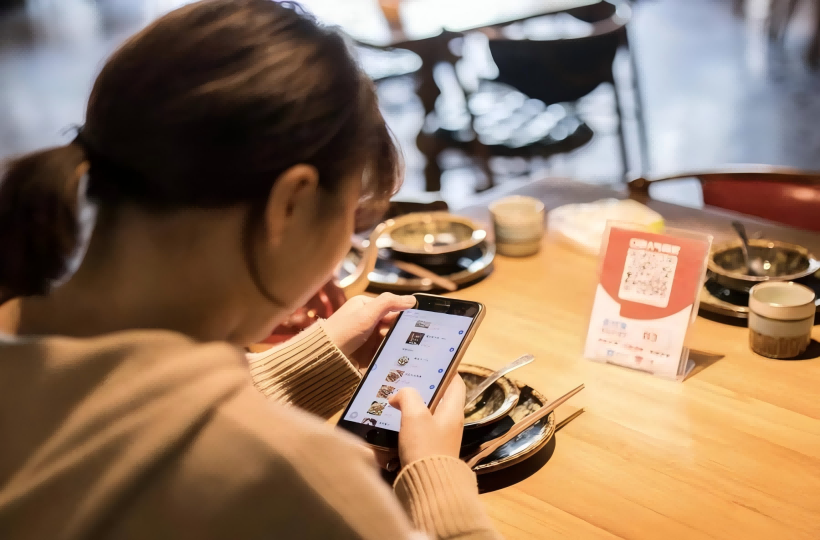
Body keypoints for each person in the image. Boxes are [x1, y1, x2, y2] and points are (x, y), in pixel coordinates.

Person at [0, 1, 501, 539]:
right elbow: (224, 449)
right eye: (352, 218)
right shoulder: (299, 476)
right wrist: (435, 475)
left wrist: (307, 365)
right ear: (291, 203)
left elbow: (134, 417)